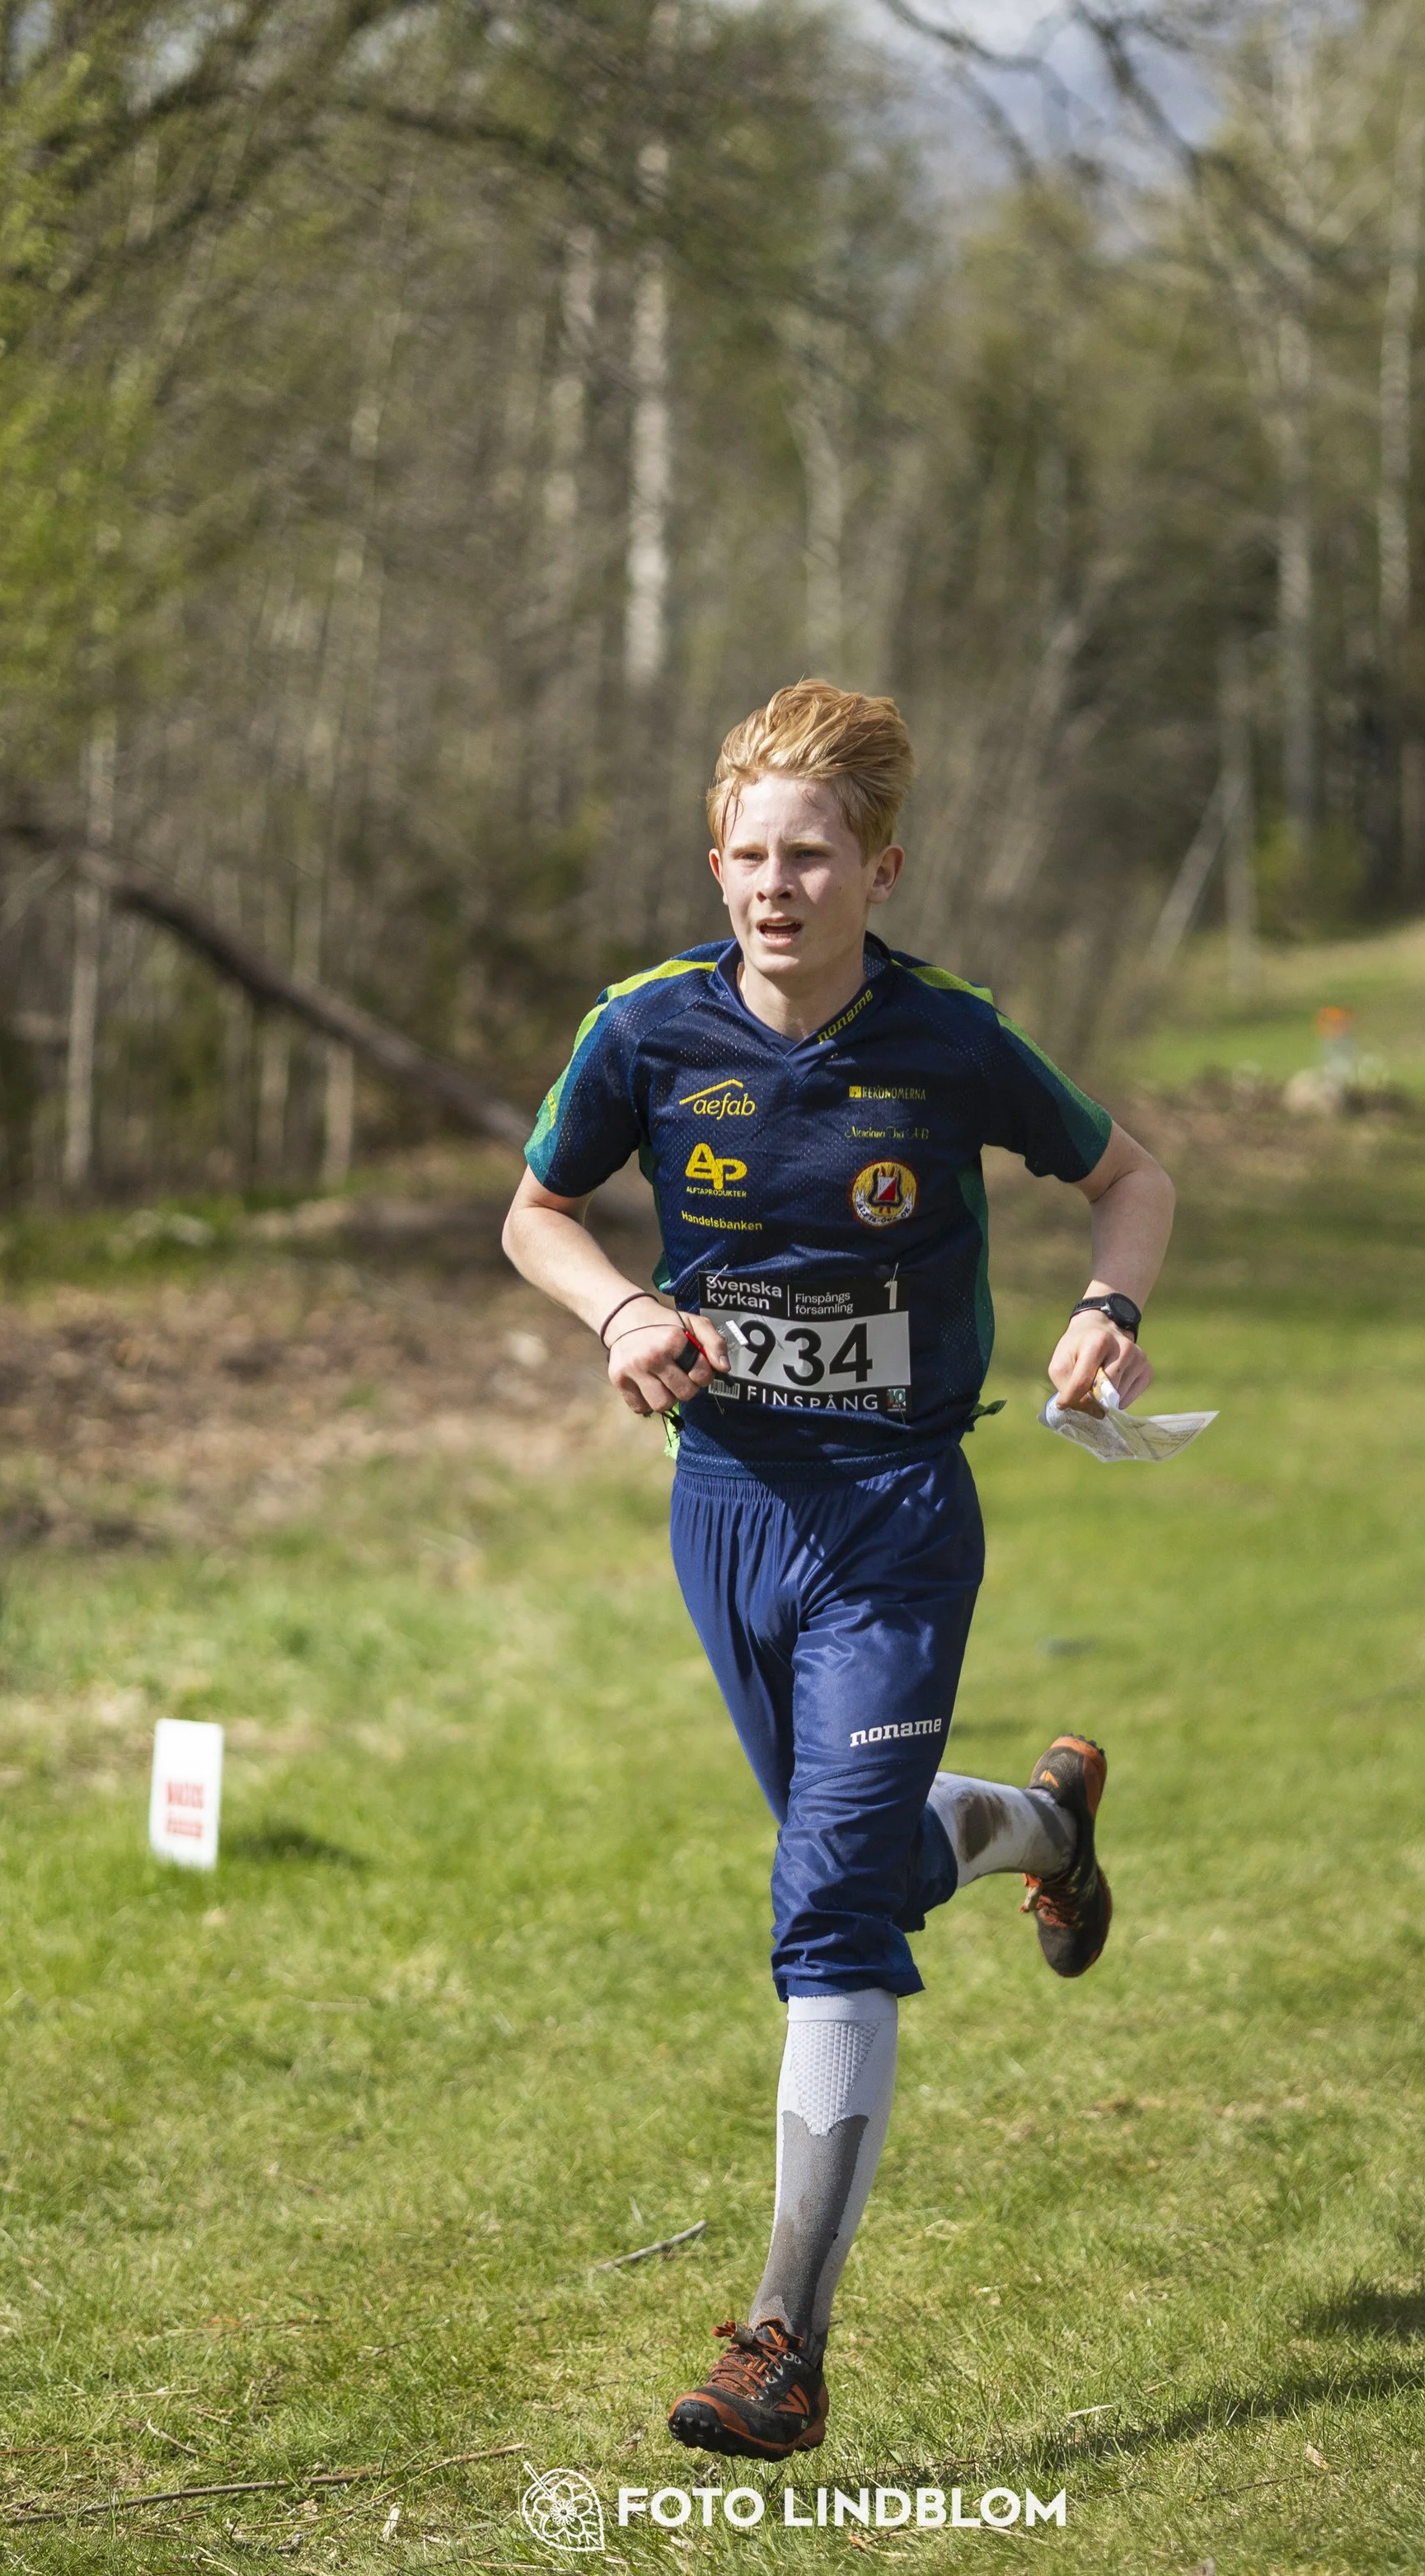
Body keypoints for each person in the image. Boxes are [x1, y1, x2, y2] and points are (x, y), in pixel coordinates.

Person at [502, 680, 1174, 2461]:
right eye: (745, 854)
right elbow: (534, 1211)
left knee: (826, 1912)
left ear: (881, 869)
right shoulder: (645, 1029)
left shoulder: (948, 1039)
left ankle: (782, 2342)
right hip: (726, 1507)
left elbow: (1130, 1178)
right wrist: (623, 1310)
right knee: (853, 1859)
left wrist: (1107, 1308)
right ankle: (1041, 1827)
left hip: (894, 1514)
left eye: (808, 856)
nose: (771, 886)